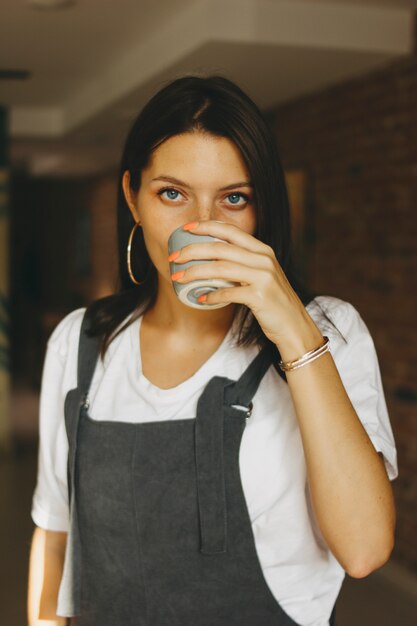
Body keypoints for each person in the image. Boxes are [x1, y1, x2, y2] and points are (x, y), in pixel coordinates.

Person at [27, 75, 398, 626]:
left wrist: (293, 330)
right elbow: (55, 532)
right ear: (133, 197)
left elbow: (364, 551)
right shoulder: (83, 342)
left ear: (262, 209)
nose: (203, 227)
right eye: (171, 193)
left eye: (234, 198)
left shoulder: (329, 330)